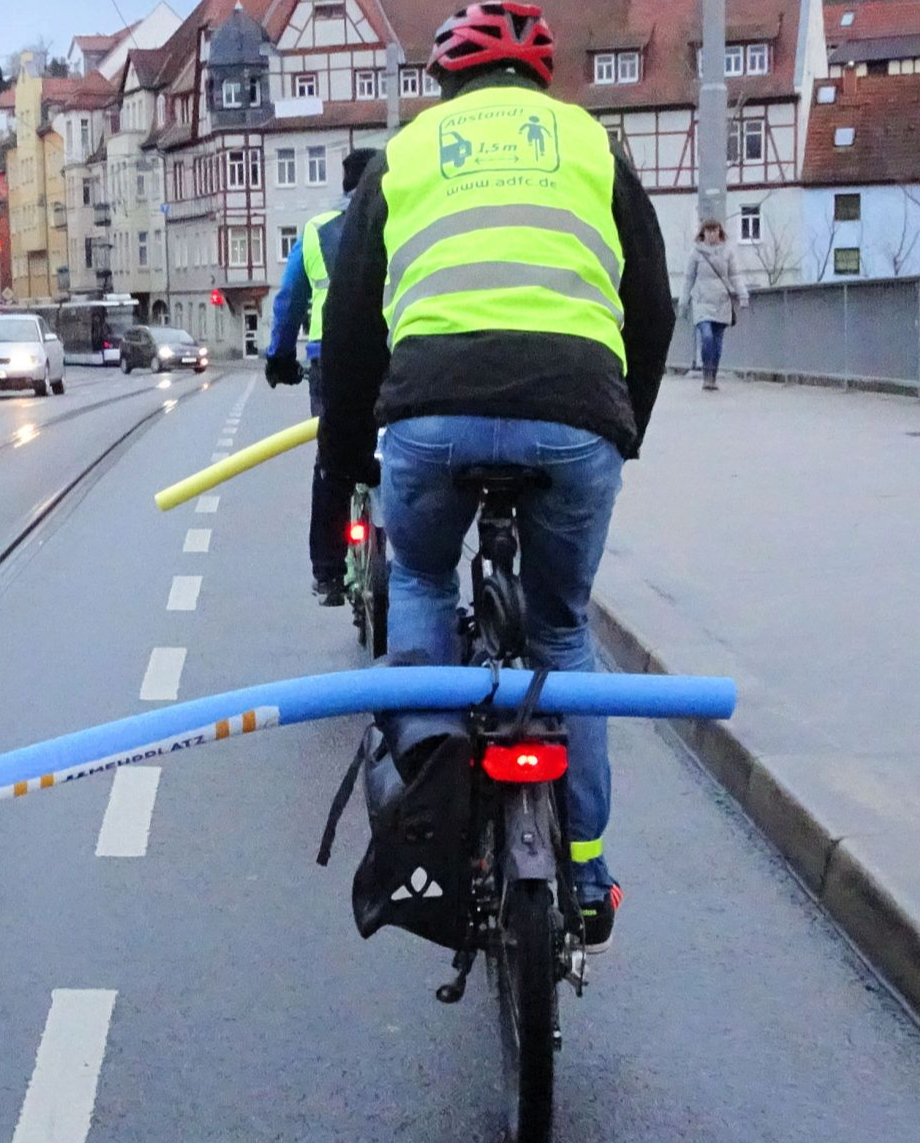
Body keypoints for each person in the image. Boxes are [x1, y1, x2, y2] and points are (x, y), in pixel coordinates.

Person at [317, 0, 674, 950]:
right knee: (562, 635)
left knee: (425, 578)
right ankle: (589, 869)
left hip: (431, 412)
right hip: (575, 415)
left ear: (447, 81)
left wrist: (348, 452)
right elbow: (653, 299)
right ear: (541, 80)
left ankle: (427, 809)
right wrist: (621, 423)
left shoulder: (410, 152)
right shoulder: (594, 145)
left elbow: (352, 325)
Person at [263, 147, 381, 606]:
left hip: (331, 359)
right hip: (394, 352)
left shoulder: (316, 230)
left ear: (346, 184)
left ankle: (329, 571)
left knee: (332, 458)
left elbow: (290, 299)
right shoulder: (401, 215)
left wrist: (278, 358)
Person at [682, 220, 746, 390]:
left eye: (715, 230)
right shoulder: (696, 253)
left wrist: (743, 294)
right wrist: (683, 302)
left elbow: (735, 275)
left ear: (720, 232)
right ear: (703, 233)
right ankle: (706, 374)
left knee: (717, 342)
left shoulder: (728, 252)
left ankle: (712, 376)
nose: (712, 234)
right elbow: (688, 278)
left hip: (721, 301)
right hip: (702, 301)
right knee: (707, 336)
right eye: (708, 231)